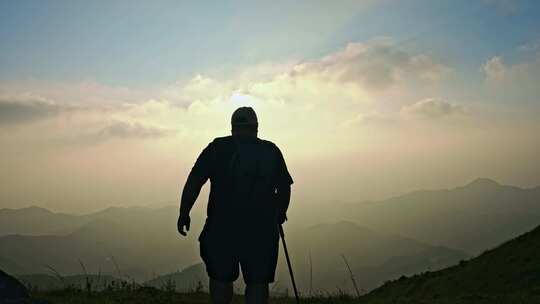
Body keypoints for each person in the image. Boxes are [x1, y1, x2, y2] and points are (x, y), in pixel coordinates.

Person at [177, 107, 293, 304]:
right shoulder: (270, 151)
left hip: (221, 228)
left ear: (232, 127)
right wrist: (279, 213)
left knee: (221, 280)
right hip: (261, 230)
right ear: (256, 127)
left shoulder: (216, 148)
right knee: (257, 283)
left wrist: (184, 212)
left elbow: (195, 181)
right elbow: (284, 188)